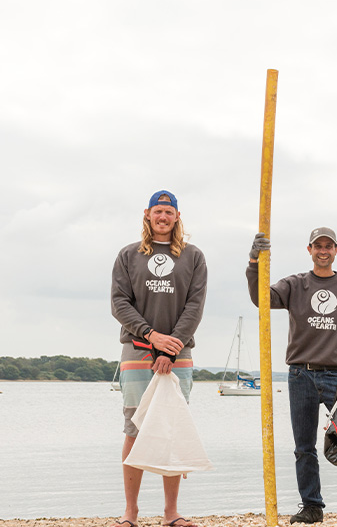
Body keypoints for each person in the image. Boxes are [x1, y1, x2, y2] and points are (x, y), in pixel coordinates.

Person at [247, 227, 337, 525]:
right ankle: (311, 506)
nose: (323, 250)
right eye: (318, 246)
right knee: (303, 446)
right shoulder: (295, 284)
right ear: (309, 249)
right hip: (301, 374)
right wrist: (253, 263)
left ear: (336, 250)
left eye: (328, 246)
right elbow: (261, 299)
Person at [110, 190, 208, 527]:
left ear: (177, 216)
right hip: (137, 352)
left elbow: (195, 306)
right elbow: (120, 303)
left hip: (179, 354)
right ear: (147, 215)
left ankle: (171, 513)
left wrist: (172, 346)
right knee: (134, 429)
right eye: (158, 211)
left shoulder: (194, 257)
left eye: (169, 212)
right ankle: (131, 512)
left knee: (171, 428)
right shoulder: (128, 255)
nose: (163, 217)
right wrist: (151, 336)